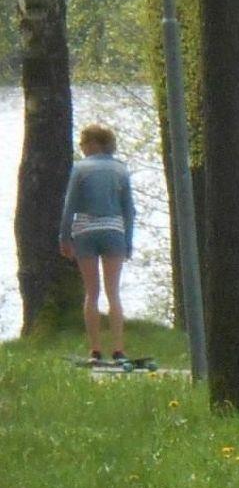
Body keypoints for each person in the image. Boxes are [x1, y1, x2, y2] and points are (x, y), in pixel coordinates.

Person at [58, 124, 136, 363]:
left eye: (83, 143)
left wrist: (64, 237)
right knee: (114, 293)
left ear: (93, 144)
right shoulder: (121, 169)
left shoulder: (80, 169)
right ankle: (119, 349)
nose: (81, 148)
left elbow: (69, 206)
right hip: (114, 231)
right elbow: (129, 209)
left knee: (91, 293)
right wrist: (128, 241)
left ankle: (95, 349)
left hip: (85, 232)